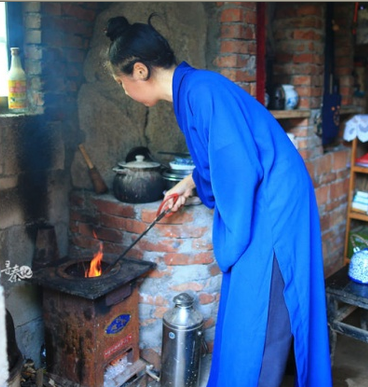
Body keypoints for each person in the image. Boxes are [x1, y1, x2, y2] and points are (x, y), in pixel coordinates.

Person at [105, 14, 333, 387]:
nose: (124, 91)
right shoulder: (191, 91)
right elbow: (220, 156)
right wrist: (189, 183)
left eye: (121, 82)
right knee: (247, 308)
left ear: (140, 71)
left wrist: (229, 239)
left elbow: (239, 166)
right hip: (261, 192)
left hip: (272, 203)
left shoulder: (201, 91)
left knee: (262, 311)